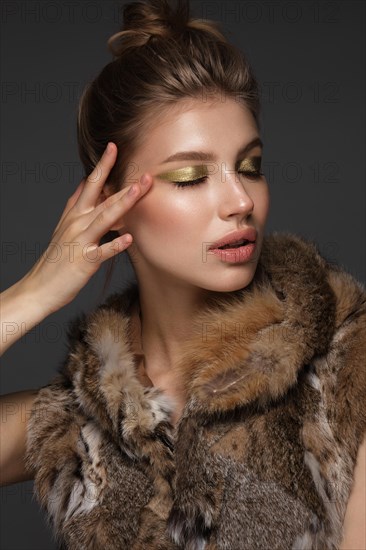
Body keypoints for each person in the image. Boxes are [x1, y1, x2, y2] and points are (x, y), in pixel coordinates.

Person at [1, 0, 365, 548]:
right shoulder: (79, 420)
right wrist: (33, 294)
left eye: (251, 167)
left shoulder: (347, 372)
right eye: (192, 177)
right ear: (112, 203)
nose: (241, 199)